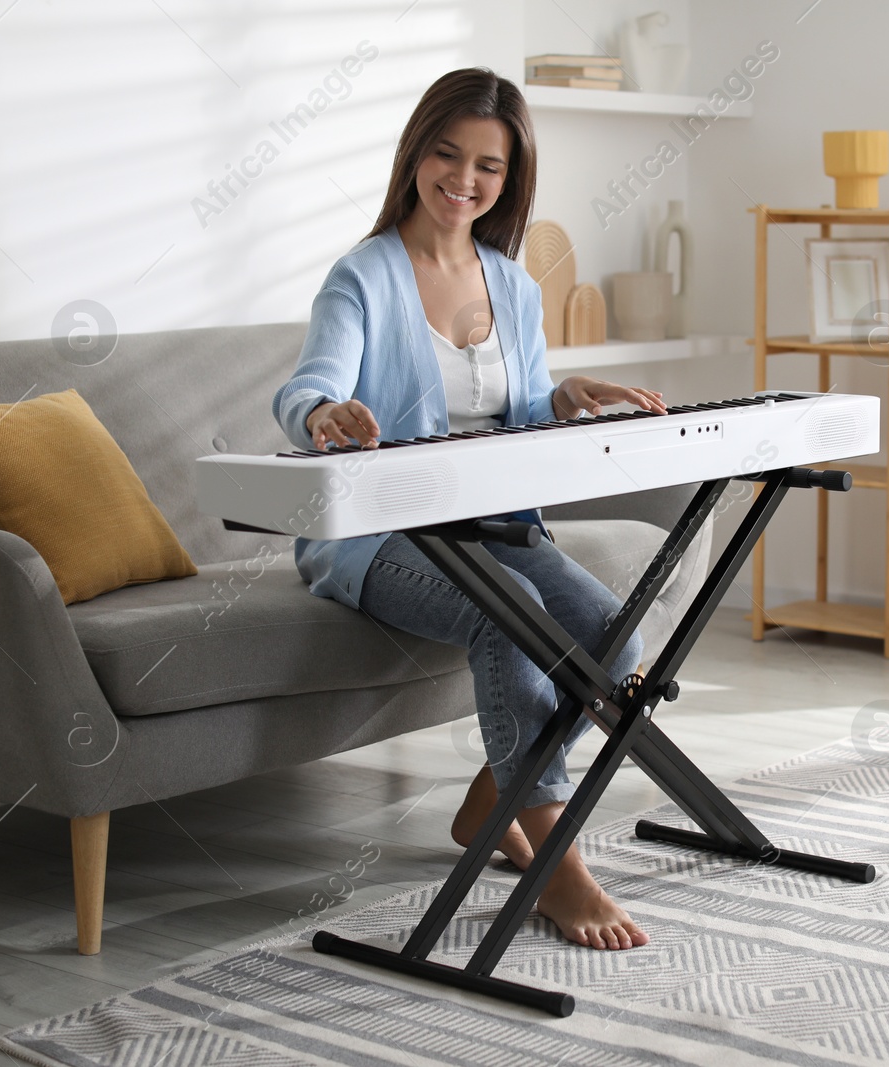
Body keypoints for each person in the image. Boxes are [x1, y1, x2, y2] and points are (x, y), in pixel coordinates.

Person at [271, 67, 662, 951]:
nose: (464, 178)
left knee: (617, 636)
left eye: (489, 164)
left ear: (509, 178)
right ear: (417, 156)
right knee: (512, 621)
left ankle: (491, 802)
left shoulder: (513, 286)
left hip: (495, 527)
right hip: (380, 538)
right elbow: (308, 388)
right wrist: (323, 416)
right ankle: (561, 868)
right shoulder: (362, 278)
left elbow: (512, 418)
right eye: (447, 154)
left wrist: (561, 400)